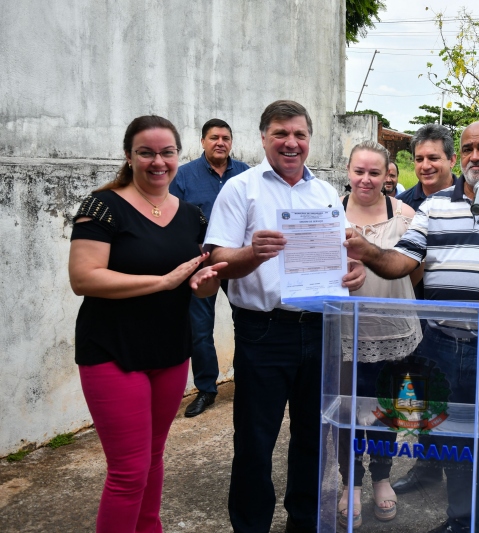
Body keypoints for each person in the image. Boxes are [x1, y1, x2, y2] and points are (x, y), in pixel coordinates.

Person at [345, 120, 479, 533]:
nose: (475, 156)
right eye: (468, 149)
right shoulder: (434, 206)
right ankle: (460, 521)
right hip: (441, 345)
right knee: (453, 442)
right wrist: (368, 249)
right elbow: (402, 263)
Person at [203, 100, 366, 533]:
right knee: (255, 441)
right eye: (281, 134)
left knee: (315, 438)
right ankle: (251, 525)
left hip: (320, 327)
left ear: (309, 140)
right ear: (263, 138)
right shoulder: (241, 188)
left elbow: (337, 255)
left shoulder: (326, 193)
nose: (291, 143)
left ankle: (304, 522)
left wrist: (351, 270)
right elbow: (218, 257)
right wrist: (250, 253)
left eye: (299, 135)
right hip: (264, 330)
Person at [68, 115, 225, 532]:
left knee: (154, 458)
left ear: (179, 155)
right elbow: (83, 278)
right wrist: (162, 282)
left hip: (171, 350)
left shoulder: (192, 214)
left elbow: (200, 289)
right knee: (127, 472)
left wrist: (204, 285)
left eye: (167, 152)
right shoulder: (102, 206)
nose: (158, 161)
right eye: (147, 152)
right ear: (129, 156)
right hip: (112, 351)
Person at [336, 141, 423, 528]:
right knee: (346, 411)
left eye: (375, 172)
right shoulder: (330, 212)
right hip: (344, 333)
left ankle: (382, 477)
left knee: (387, 410)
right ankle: (349, 481)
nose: (366, 179)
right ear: (348, 170)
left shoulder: (405, 215)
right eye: (359, 171)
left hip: (394, 331)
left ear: (388, 174)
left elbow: (416, 271)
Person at [391, 124, 458, 495]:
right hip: (413, 312)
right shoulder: (405, 203)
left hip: (457, 315)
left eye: (434, 157)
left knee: (457, 396)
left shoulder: (472, 198)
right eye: (419, 159)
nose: (426, 165)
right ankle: (428, 467)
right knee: (418, 392)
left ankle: (464, 474)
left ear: (451, 159)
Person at [170, 118, 250, 417]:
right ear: (202, 141)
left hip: (238, 261)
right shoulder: (184, 176)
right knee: (200, 330)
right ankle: (206, 389)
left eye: (226, 138)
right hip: (201, 263)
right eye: (214, 137)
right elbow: (176, 220)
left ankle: (248, 379)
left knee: (247, 322)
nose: (220, 142)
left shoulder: (245, 174)